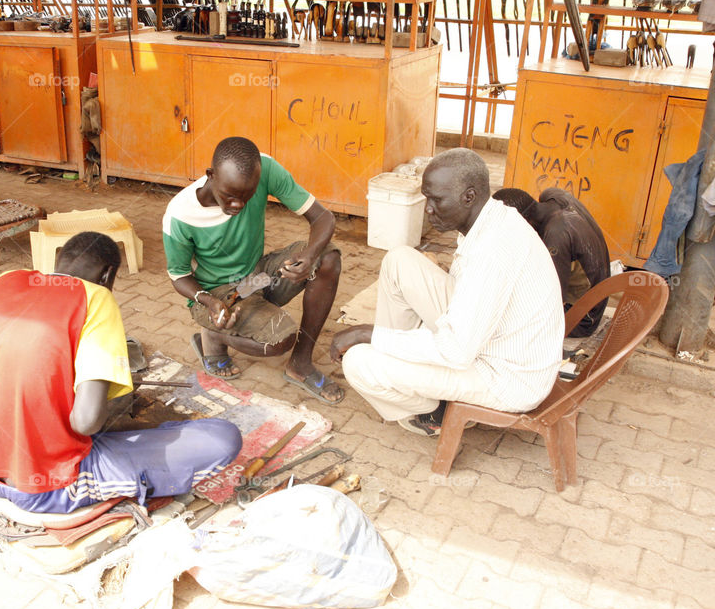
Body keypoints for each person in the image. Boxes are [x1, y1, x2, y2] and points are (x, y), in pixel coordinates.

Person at [0, 232, 242, 513]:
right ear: (108, 275)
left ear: (58, 259)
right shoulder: (95, 298)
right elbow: (86, 423)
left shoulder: (4, 282)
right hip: (48, 485)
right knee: (221, 438)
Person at [330, 149, 564, 436]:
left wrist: (368, 334)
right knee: (399, 260)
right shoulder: (491, 218)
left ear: (469, 196)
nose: (428, 208)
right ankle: (402, 367)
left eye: (436, 200)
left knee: (358, 362)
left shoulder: (491, 253)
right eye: (427, 197)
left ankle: (432, 409)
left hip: (507, 378)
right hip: (491, 341)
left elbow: (456, 351)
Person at [162, 136, 344, 405]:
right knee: (279, 341)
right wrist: (210, 301)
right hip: (218, 293)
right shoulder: (180, 215)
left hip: (257, 276)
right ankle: (213, 333)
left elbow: (323, 217)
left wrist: (308, 257)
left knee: (327, 257)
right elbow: (178, 276)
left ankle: (301, 364)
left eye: (247, 196)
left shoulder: (264, 168)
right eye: (230, 197)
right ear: (210, 175)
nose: (239, 205)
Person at [492, 186, 610, 338]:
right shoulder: (554, 195)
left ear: (524, 221)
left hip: (582, 319)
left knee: (499, 319)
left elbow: (551, 300)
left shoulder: (556, 235)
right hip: (595, 299)